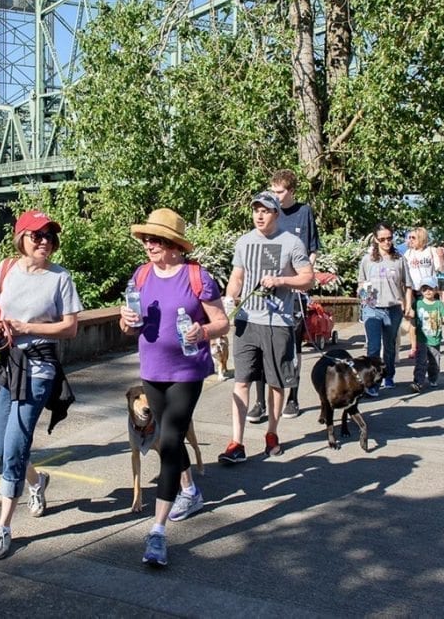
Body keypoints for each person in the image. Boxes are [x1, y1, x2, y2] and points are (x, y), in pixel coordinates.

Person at [119, 208, 229, 568]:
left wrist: (203, 332)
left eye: (156, 239)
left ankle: (157, 531)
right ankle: (190, 491)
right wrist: (126, 320)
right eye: (146, 239)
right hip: (152, 370)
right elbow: (129, 322)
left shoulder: (197, 277)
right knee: (172, 438)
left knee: (167, 441)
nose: (148, 244)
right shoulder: (141, 274)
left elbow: (221, 322)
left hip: (187, 371)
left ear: (174, 245)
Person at [0, 210, 82, 560]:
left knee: (16, 445)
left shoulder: (60, 278)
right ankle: (37, 482)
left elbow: (70, 328)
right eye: (36, 235)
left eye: (49, 236)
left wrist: (27, 328)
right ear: (20, 238)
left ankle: (3, 527)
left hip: (39, 368)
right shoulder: (6, 268)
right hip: (4, 364)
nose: (44, 242)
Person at [220, 192, 314, 464]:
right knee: (241, 381)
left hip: (278, 322)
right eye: (255, 210)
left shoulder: (291, 243)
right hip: (246, 321)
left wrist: (281, 281)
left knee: (275, 382)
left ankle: (271, 433)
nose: (259, 215)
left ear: (276, 214)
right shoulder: (244, 241)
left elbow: (307, 279)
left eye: (265, 211)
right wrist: (230, 298)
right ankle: (236, 442)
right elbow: (237, 277)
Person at [246, 169, 320, 424]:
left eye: (280, 192)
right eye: (273, 191)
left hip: (293, 290)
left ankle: (293, 396)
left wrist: (303, 280)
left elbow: (312, 250)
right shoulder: (266, 214)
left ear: (291, 191)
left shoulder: (304, 212)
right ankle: (259, 401)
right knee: (259, 346)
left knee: (292, 347)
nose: (275, 196)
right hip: (265, 292)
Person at [357, 223, 408, 394]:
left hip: (393, 308)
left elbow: (407, 285)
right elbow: (360, 282)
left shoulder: (399, 259)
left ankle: (388, 375)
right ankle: (372, 382)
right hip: (372, 308)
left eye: (389, 238)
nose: (387, 242)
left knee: (390, 346)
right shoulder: (367, 259)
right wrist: (363, 293)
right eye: (382, 239)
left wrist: (407, 304)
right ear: (376, 240)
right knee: (373, 347)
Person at [409, 277, 444, 392]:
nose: (428, 291)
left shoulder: (438, 304)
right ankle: (418, 382)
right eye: (424, 289)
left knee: (434, 362)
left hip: (434, 338)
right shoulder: (418, 303)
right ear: (421, 291)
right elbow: (412, 317)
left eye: (430, 288)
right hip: (422, 339)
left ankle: (433, 378)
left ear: (435, 290)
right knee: (421, 362)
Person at [403, 227, 442, 358]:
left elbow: (440, 269)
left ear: (421, 238)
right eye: (409, 238)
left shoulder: (431, 251)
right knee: (414, 320)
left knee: (429, 319)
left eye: (413, 237)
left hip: (428, 289)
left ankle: (431, 345)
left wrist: (441, 257)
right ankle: (414, 347)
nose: (410, 240)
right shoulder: (408, 254)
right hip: (413, 290)